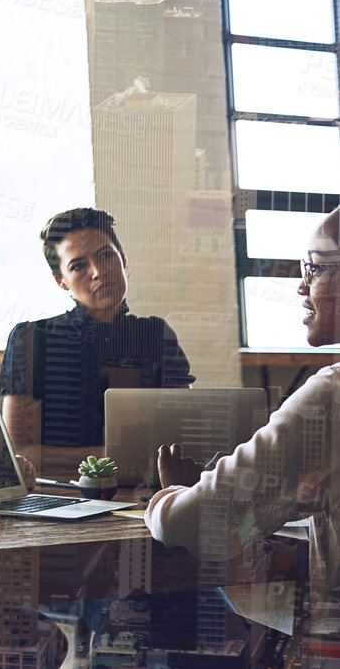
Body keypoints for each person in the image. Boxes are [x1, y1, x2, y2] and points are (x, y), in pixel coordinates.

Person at [148, 208, 340, 645]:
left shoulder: (333, 393)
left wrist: (177, 496)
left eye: (313, 267)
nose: (300, 285)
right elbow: (294, 502)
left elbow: (189, 524)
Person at [0, 207, 194, 474]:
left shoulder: (156, 335)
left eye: (106, 256)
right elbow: (19, 452)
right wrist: (111, 457)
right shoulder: (31, 339)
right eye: (78, 266)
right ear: (61, 281)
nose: (98, 272)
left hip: (147, 493)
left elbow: (186, 438)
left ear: (123, 258)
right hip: (59, 497)